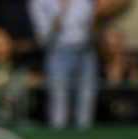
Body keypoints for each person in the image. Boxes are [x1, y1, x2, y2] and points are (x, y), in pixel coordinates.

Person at [29, 0, 97, 129]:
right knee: (58, 101)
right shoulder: (39, 2)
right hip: (58, 52)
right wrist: (60, 15)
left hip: (86, 51)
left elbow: (91, 22)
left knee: (86, 99)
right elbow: (42, 39)